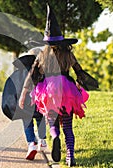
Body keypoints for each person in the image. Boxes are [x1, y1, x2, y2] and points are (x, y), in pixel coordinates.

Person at [19, 4, 91, 167]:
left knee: (52, 122)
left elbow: (32, 75)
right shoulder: (67, 53)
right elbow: (79, 71)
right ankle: (70, 156)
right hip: (67, 89)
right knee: (68, 125)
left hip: (48, 91)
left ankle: (55, 136)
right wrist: (80, 86)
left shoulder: (42, 54)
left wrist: (24, 94)